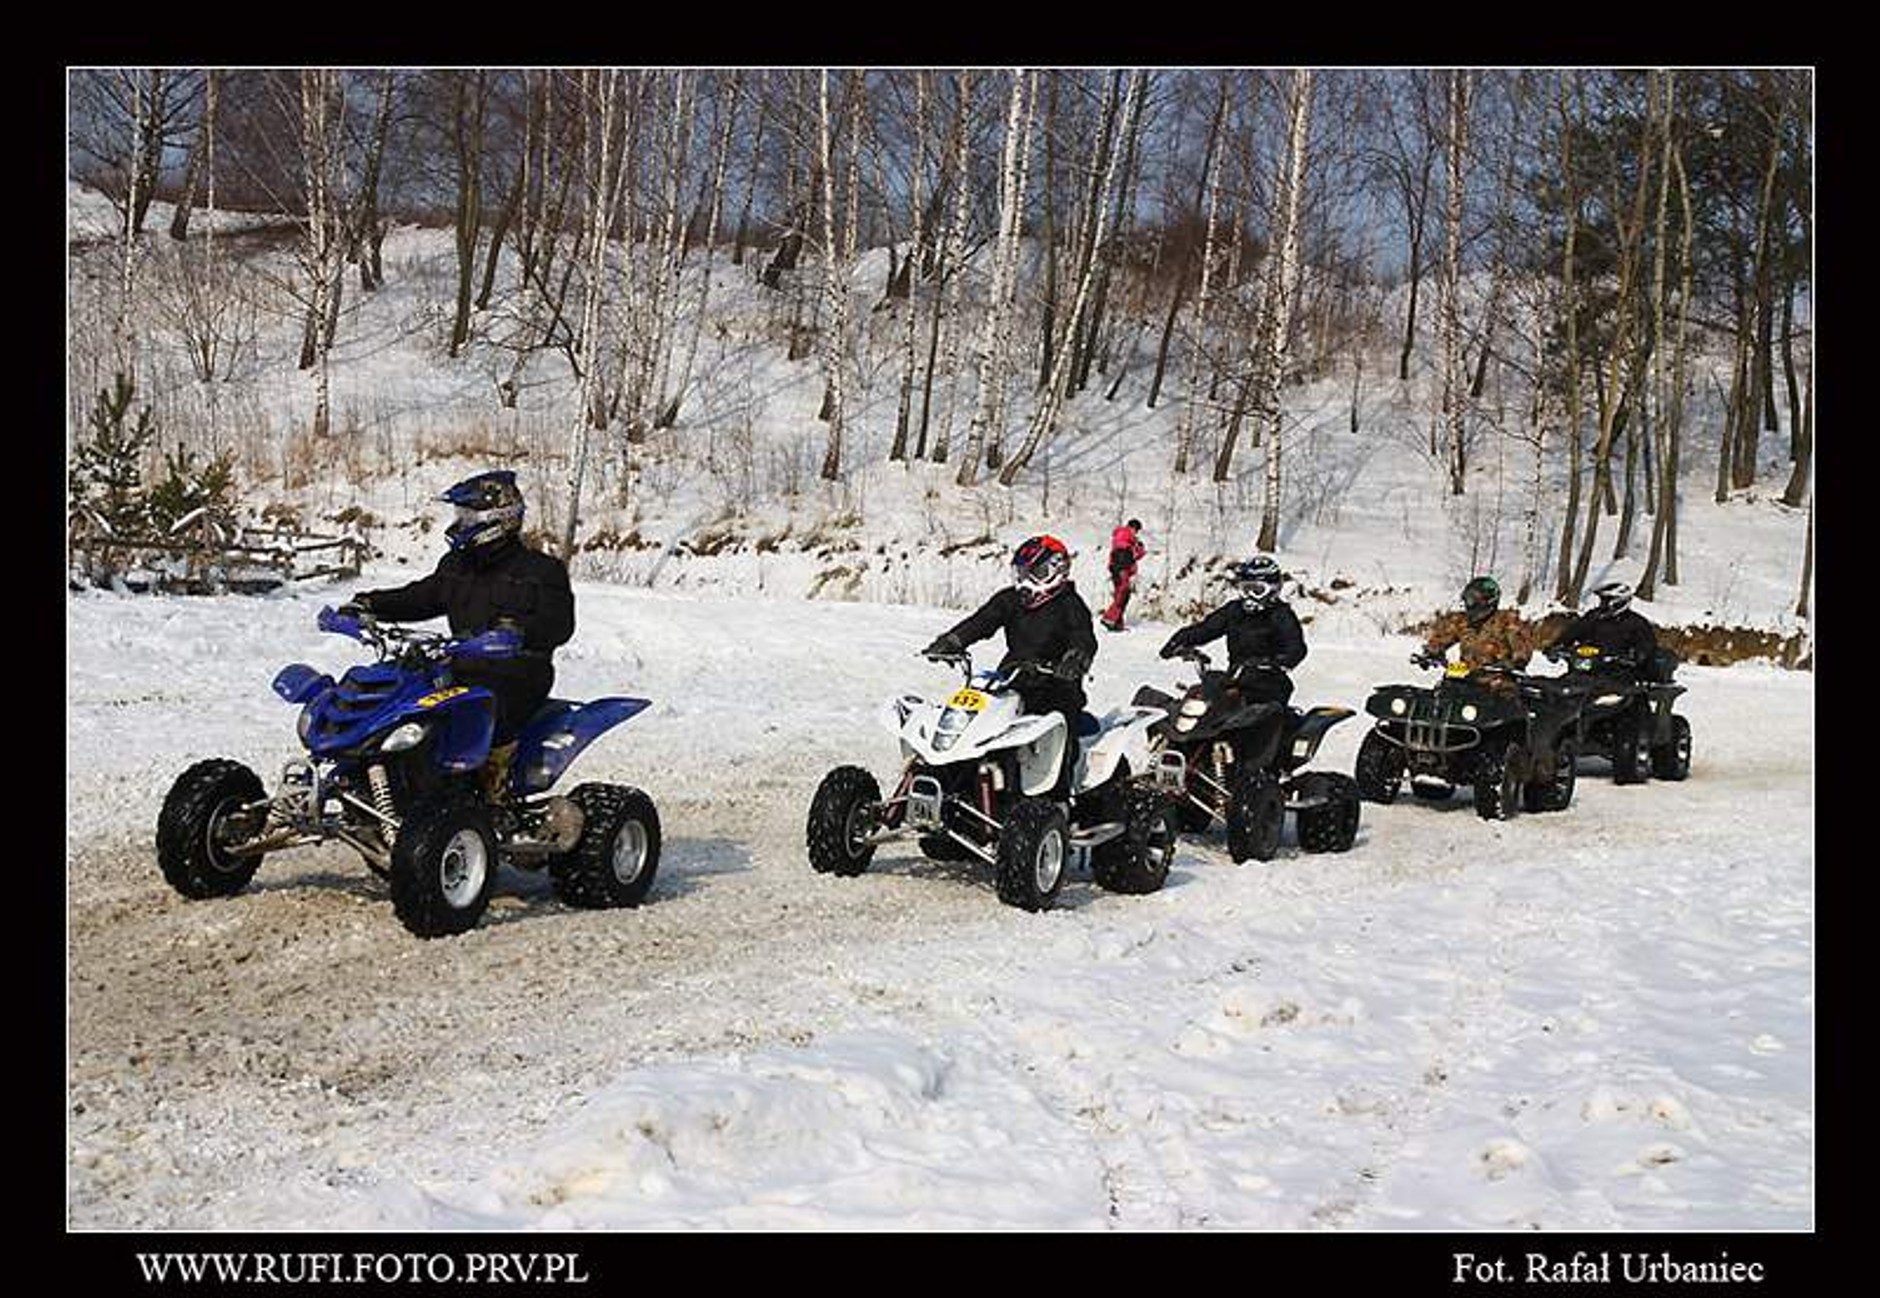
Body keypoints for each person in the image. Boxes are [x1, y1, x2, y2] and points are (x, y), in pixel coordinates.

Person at [341, 470, 574, 800]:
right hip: (458, 666)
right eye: (460, 515)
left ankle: (495, 796)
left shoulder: (541, 570)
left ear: (498, 518)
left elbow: (559, 624)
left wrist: (518, 631)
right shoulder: (458, 565)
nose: (460, 522)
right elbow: (421, 596)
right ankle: (388, 780)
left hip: (518, 673)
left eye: (467, 515)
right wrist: (369, 604)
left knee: (486, 708)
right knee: (394, 699)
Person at [921, 535, 1098, 801]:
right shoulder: (1011, 600)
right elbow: (982, 621)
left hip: (1057, 685)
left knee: (1060, 733)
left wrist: (1076, 658)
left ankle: (1058, 803)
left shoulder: (1070, 605)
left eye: (1034, 573)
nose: (1025, 581)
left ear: (1056, 571)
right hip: (1012, 679)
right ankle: (958, 783)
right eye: (1022, 573)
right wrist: (953, 640)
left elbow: (1083, 637)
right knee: (977, 725)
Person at [1158, 555, 1305, 706]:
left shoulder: (1281, 614)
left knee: (1253, 713)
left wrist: (1274, 662)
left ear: (1272, 590)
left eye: (1256, 590)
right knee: (1205, 700)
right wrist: (1179, 640)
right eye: (1245, 589)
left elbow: (1296, 647)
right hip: (1236, 678)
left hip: (1269, 683)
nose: (1249, 596)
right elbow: (1206, 628)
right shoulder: (1234, 610)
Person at [1417, 575, 1533, 686]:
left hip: (1496, 677)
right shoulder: (1462, 621)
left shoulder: (1506, 620)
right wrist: (1431, 653)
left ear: (1488, 600)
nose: (1469, 604)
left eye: (1473, 599)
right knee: (1445, 688)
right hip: (1466, 672)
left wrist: (1516, 663)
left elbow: (1522, 647)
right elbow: (1443, 637)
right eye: (1467, 599)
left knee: (1505, 695)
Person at [1545, 580, 1659, 676]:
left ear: (1618, 602)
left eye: (1606, 601)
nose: (1602, 604)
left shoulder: (1636, 622)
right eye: (1602, 601)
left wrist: (1636, 655)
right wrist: (1556, 646)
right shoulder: (1593, 616)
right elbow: (1573, 631)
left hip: (1619, 674)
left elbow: (1647, 645)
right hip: (1585, 669)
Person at [1100, 518, 1146, 632]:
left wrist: (1139, 549)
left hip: (1123, 568)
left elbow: (1136, 555)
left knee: (1121, 595)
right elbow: (1120, 546)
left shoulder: (1131, 539)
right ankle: (1109, 618)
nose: (1136, 533)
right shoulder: (1124, 533)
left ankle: (1117, 623)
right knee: (1123, 593)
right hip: (1121, 568)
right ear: (1132, 527)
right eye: (1136, 530)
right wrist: (1133, 546)